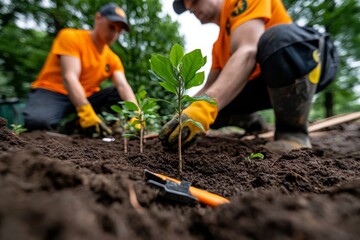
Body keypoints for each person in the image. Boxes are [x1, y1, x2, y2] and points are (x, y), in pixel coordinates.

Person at [159, 0, 338, 153]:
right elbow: (208, 88)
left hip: (306, 59)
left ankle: (293, 133)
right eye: (186, 6)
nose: (190, 7)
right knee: (217, 99)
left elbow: (248, 51)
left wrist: (204, 109)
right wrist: (183, 113)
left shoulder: (241, 2)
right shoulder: (218, 46)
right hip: (267, 82)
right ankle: (250, 120)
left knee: (275, 39)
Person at [23, 3, 138, 136]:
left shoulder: (113, 58)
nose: (114, 34)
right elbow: (69, 77)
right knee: (37, 123)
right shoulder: (70, 37)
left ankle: (74, 127)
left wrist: (136, 115)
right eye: (111, 27)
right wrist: (86, 111)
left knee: (117, 93)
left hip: (86, 96)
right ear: (98, 18)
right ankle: (77, 121)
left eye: (119, 31)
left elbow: (123, 86)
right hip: (52, 92)